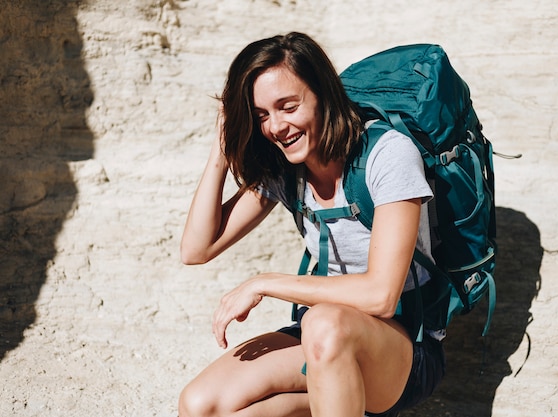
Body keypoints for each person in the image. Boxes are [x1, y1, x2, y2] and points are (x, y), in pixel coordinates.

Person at [178, 32, 445, 417]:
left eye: (288, 106)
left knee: (322, 322)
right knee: (201, 406)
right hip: (324, 340)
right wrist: (222, 150)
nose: (276, 127)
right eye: (262, 115)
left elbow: (381, 297)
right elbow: (196, 249)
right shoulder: (286, 171)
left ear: (322, 92)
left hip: (402, 346)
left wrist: (263, 282)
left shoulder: (386, 155)